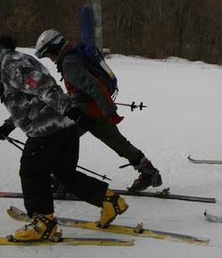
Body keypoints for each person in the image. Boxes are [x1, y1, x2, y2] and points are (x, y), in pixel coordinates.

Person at [0, 33, 128, 241]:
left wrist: (71, 111)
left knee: (32, 172)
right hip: (64, 127)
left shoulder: (11, 64)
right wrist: (8, 126)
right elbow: (27, 100)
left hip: (47, 129)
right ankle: (109, 201)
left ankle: (43, 224)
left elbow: (45, 87)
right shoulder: (15, 60)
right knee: (64, 174)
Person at [34, 29, 162, 192]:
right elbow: (85, 87)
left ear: (53, 49)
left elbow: (94, 85)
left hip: (85, 113)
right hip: (97, 111)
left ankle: (62, 181)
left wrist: (110, 111)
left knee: (60, 142)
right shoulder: (75, 55)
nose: (50, 59)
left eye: (48, 55)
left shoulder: (69, 63)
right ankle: (148, 172)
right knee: (118, 142)